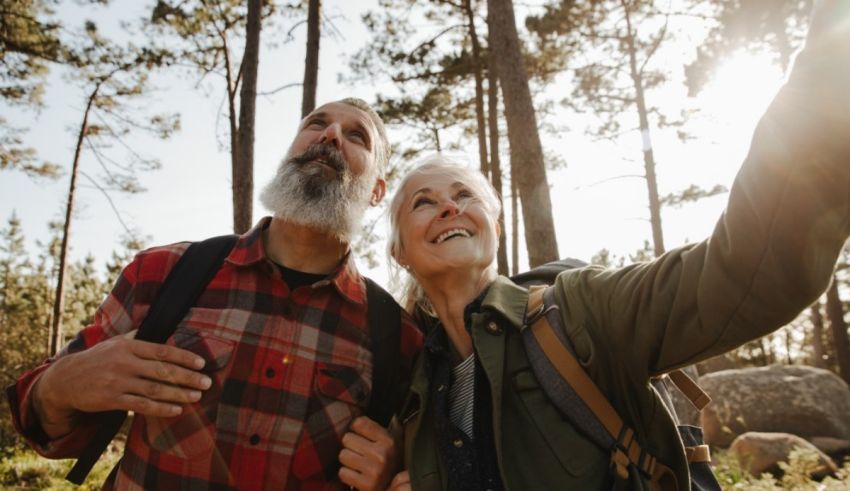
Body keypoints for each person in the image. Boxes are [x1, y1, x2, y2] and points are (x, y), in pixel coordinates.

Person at [384, 2, 850, 489]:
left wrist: (830, 67)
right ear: (399, 251)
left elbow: (743, 270)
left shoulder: (581, 312)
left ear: (495, 229)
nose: (449, 208)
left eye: (465, 196)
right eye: (424, 202)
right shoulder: (409, 387)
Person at [6, 98, 423, 490]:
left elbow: (424, 464)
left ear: (376, 192)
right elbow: (44, 427)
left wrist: (393, 471)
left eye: (356, 136)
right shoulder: (164, 272)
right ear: (290, 154)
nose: (331, 134)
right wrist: (60, 385)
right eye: (316, 123)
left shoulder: (398, 337)